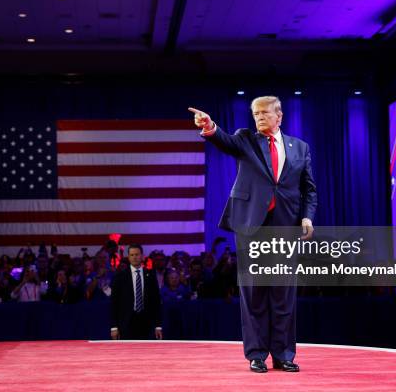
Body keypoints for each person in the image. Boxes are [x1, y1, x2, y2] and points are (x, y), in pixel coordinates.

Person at [189, 95, 317, 373]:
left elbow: (309, 189)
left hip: (285, 226)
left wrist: (307, 216)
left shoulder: (300, 148)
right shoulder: (245, 138)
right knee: (254, 293)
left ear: (279, 116)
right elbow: (223, 140)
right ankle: (256, 354)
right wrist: (210, 126)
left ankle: (284, 354)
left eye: (264, 113)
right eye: (255, 114)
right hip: (251, 226)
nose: (258, 118)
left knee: (283, 294)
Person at [110, 244, 163, 340]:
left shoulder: (150, 275)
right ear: (128, 257)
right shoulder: (120, 276)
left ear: (142, 256)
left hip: (146, 321)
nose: (134, 257)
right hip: (126, 321)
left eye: (137, 254)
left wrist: (158, 326)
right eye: (132, 255)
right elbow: (114, 302)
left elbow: (156, 301)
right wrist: (114, 327)